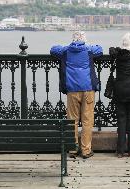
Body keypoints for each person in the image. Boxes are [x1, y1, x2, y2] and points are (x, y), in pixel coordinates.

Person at [50, 31, 103, 159]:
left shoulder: (65, 51)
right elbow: (100, 49)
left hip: (72, 89)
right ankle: (85, 150)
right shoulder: (89, 50)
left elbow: (53, 49)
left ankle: (73, 148)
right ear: (84, 39)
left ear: (72, 40)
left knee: (72, 121)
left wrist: (67, 46)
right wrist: (87, 45)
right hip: (88, 89)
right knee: (87, 120)